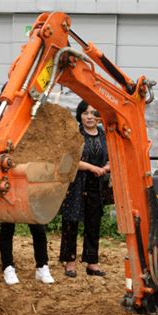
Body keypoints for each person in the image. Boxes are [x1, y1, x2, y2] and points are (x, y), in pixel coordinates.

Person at [59, 100, 110, 277]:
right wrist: (91, 167)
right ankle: (70, 261)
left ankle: (92, 262)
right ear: (80, 115)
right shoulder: (75, 134)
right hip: (76, 183)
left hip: (96, 184)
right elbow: (70, 160)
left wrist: (106, 167)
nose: (89, 117)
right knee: (71, 222)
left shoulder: (103, 134)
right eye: (85, 113)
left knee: (93, 223)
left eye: (93, 113)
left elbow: (111, 157)